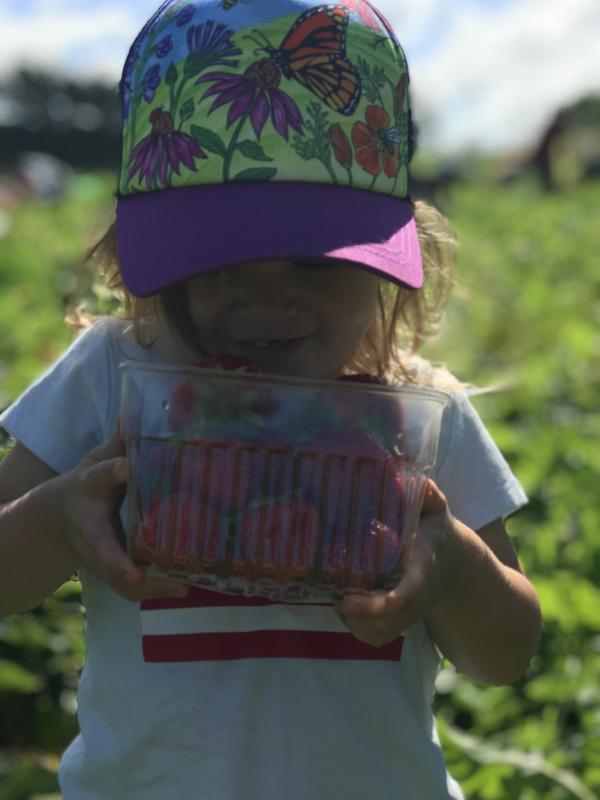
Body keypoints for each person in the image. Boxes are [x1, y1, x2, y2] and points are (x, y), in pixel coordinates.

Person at [0, 1, 541, 798]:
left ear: (394, 261)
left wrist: (451, 561)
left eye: (313, 265)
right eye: (215, 262)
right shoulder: (114, 372)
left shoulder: (418, 411)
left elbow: (507, 655)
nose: (264, 302)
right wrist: (57, 518)